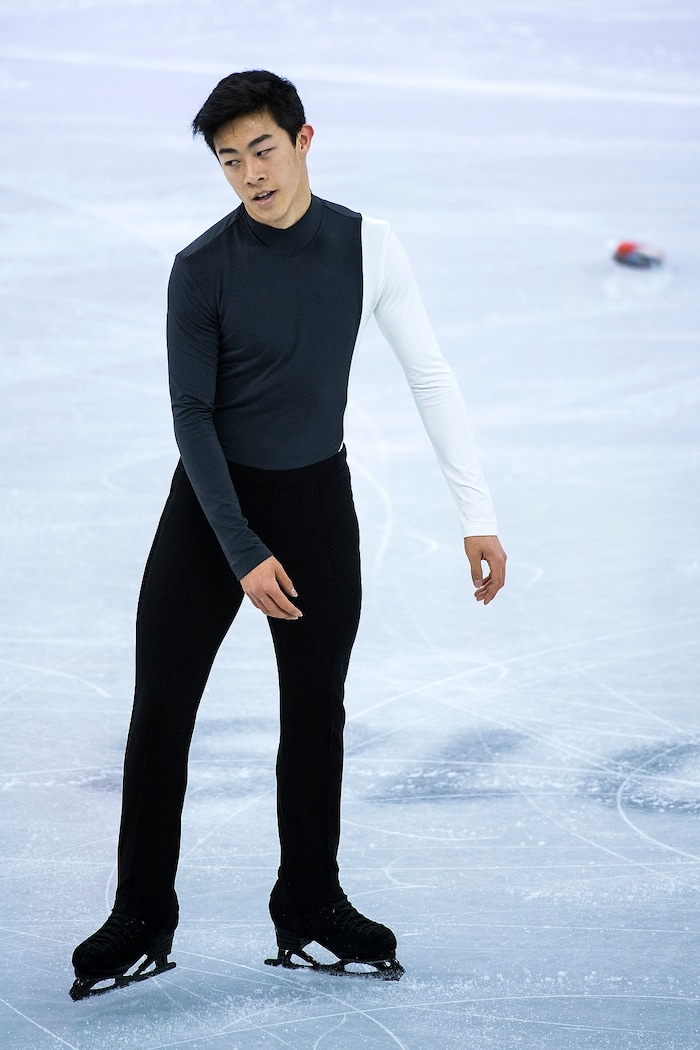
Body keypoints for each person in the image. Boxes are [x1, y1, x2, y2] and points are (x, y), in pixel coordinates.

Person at [70, 69, 506, 999]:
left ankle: (310, 903)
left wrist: (478, 515)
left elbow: (430, 374)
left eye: (262, 150)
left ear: (305, 141)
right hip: (210, 509)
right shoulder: (201, 268)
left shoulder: (366, 245)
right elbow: (191, 415)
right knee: (163, 712)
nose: (249, 175)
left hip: (314, 507)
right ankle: (141, 912)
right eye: (229, 161)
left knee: (316, 713)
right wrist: (237, 549)